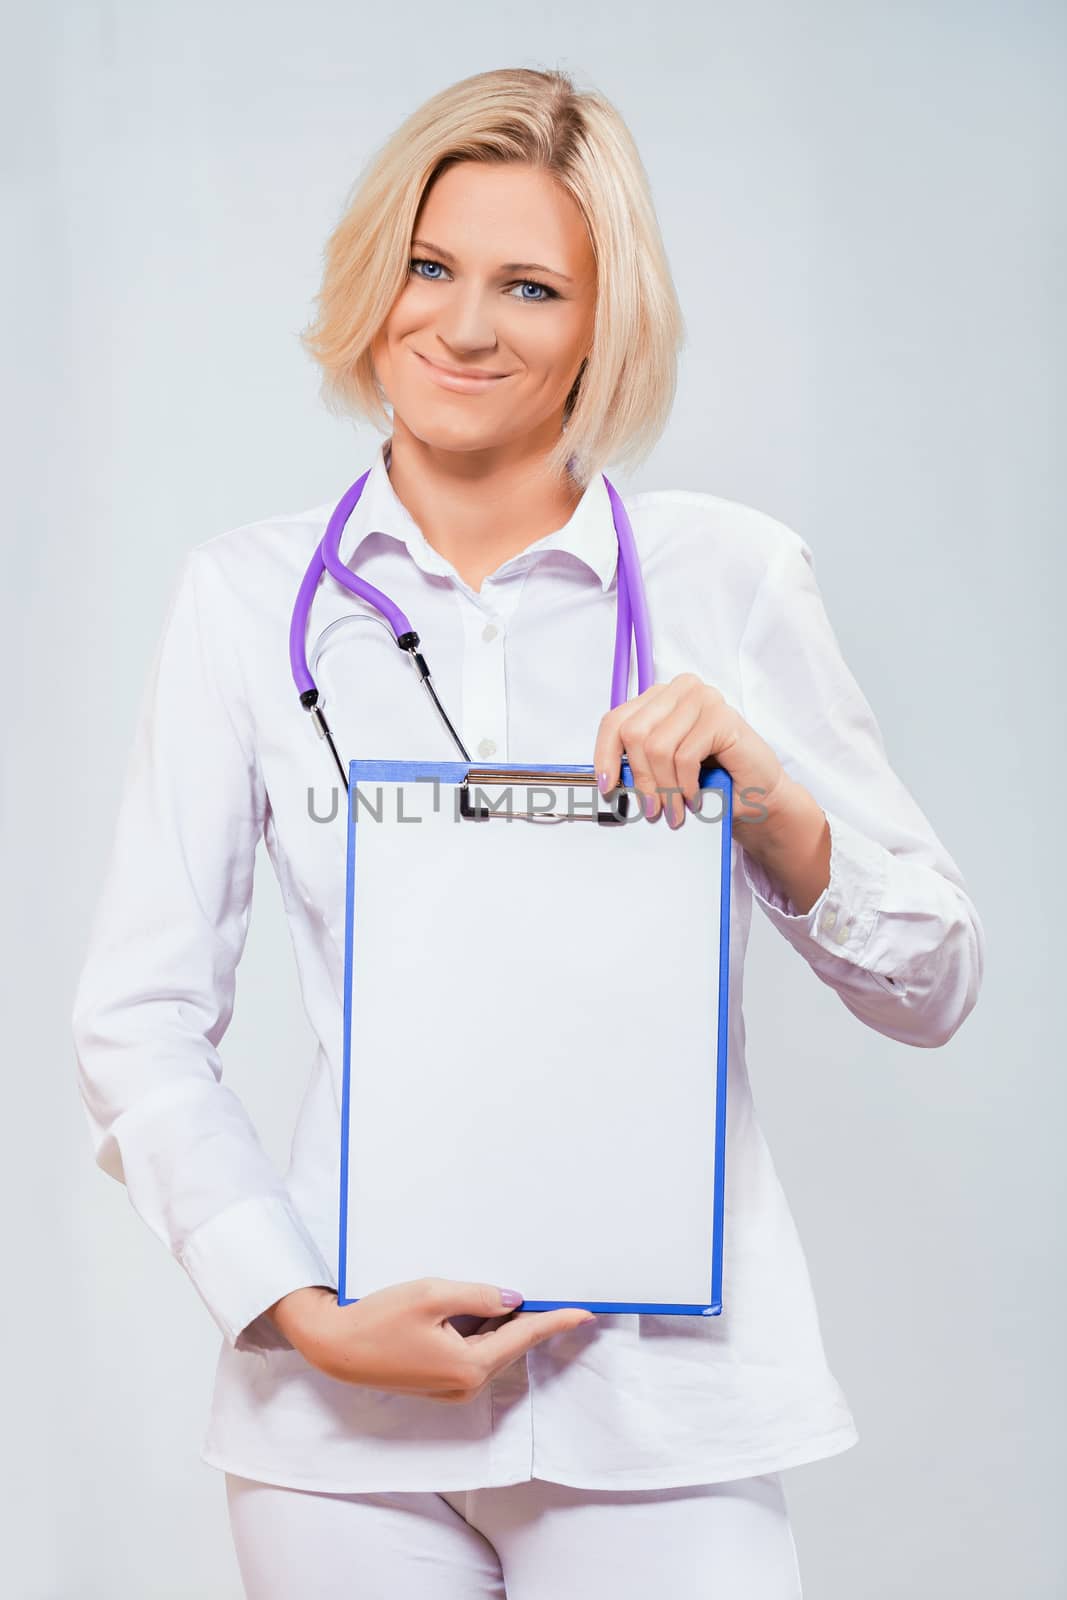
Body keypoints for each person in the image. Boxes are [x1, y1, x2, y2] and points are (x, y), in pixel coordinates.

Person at [71, 65, 985, 1599]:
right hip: (341, 1426)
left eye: (531, 286)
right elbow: (137, 1018)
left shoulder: (730, 580)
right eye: (431, 267)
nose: (465, 325)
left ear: (599, 324)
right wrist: (297, 1306)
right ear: (376, 282)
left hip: (665, 1413)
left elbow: (936, 985)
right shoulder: (243, 601)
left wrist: (771, 798)